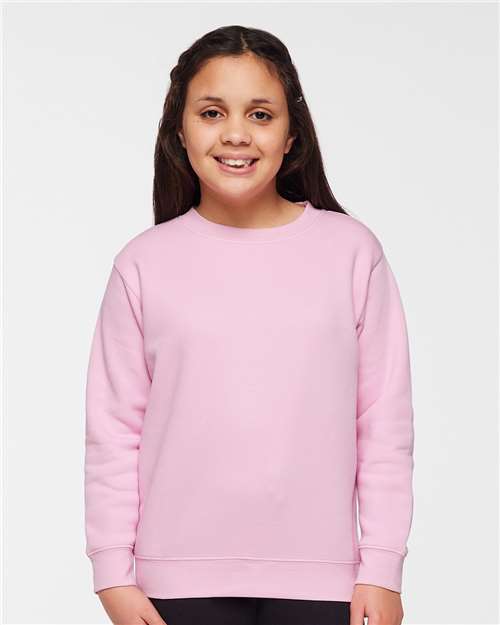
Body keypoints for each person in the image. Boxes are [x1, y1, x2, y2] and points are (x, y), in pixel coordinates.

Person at [84, 24, 414, 625]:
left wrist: (382, 568)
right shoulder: (143, 264)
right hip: (174, 583)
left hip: (325, 585)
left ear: (292, 135)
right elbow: (114, 432)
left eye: (260, 114)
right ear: (179, 131)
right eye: (212, 112)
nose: (236, 133)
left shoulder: (351, 253)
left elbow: (383, 425)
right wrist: (111, 573)